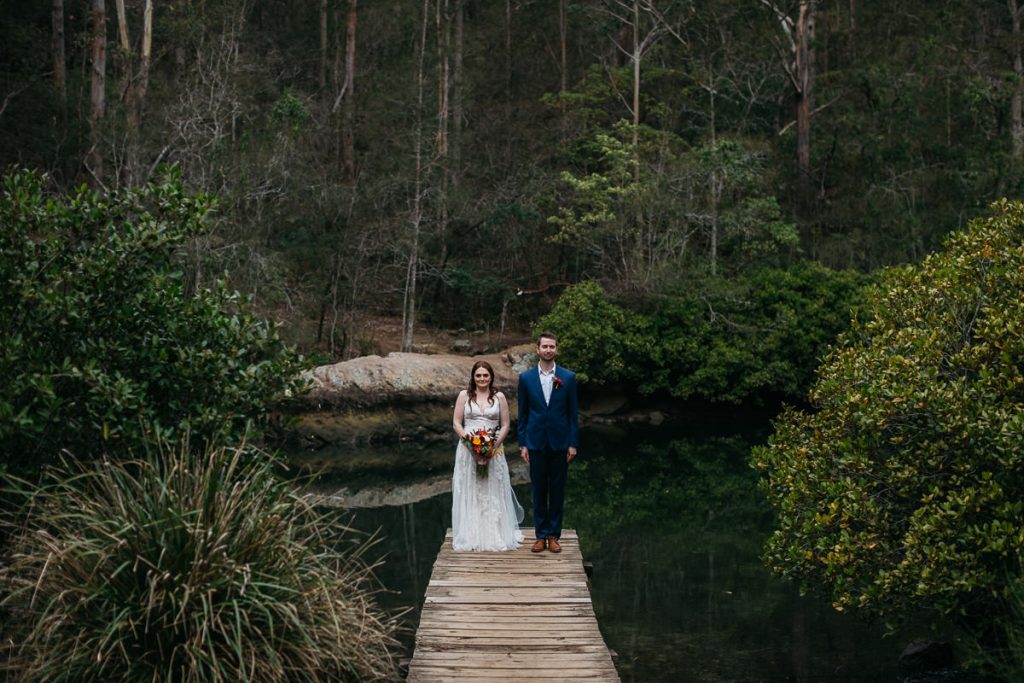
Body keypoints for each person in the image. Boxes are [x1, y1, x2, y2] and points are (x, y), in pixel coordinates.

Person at [451, 360, 524, 551]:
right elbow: (457, 423)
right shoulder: (463, 396)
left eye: (485, 375)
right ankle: (472, 535)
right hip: (468, 450)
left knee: (492, 490)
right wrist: (470, 444)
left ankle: (495, 534)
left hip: (494, 450)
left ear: (491, 377)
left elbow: (506, 424)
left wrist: (492, 446)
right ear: (473, 377)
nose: (482, 379)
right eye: (478, 375)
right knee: (471, 488)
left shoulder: (499, 397)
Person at [517, 332, 579, 553]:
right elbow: (522, 414)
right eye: (544, 346)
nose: (548, 350)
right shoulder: (525, 378)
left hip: (560, 443)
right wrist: (522, 443)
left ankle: (554, 535)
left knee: (557, 490)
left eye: (552, 347)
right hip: (535, 442)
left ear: (556, 349)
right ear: (538, 349)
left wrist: (573, 443)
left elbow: (573, 414)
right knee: (538, 490)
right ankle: (540, 535)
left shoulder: (568, 377)